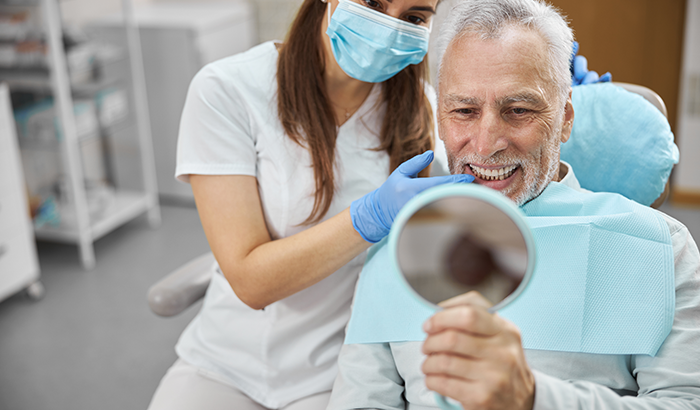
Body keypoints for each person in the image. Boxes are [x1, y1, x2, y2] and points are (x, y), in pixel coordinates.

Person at [326, 0, 700, 409]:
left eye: (518, 110)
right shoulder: (397, 246)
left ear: (565, 119)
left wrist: (532, 398)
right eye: (464, 111)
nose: (486, 145)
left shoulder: (660, 247)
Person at [146, 0, 483, 409]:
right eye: (373, 3)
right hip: (225, 364)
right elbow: (251, 282)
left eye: (413, 18)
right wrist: (368, 218)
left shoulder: (426, 114)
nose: (388, 27)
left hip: (340, 375)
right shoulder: (229, 89)